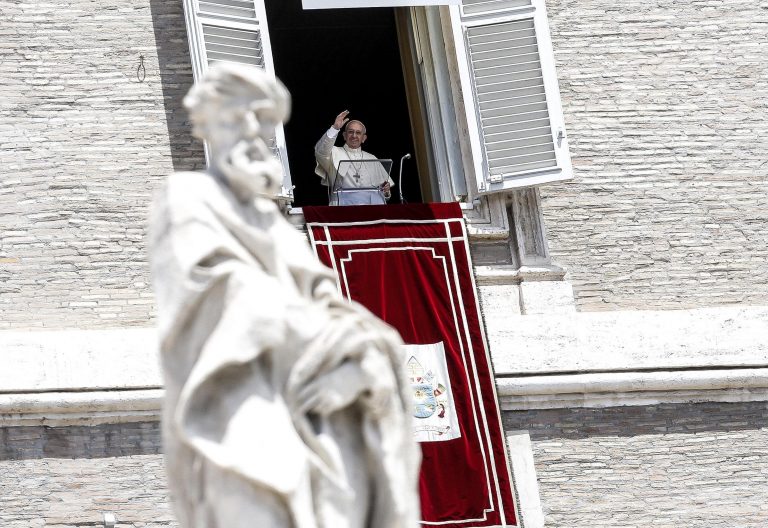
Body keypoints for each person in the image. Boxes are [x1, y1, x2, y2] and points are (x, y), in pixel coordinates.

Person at [149, 64, 420, 528]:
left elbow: (325, 296)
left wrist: (366, 355)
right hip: (244, 404)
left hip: (312, 405)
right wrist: (326, 340)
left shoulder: (271, 220)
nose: (256, 137)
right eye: (243, 121)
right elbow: (229, 295)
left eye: (263, 124)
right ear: (214, 127)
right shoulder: (188, 198)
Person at [314, 110, 395, 205]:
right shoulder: (334, 152)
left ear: (364, 138)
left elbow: (383, 191)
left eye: (358, 133)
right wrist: (335, 128)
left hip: (371, 209)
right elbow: (320, 152)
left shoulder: (371, 158)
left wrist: (386, 191)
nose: (354, 136)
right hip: (343, 207)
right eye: (350, 132)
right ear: (344, 136)